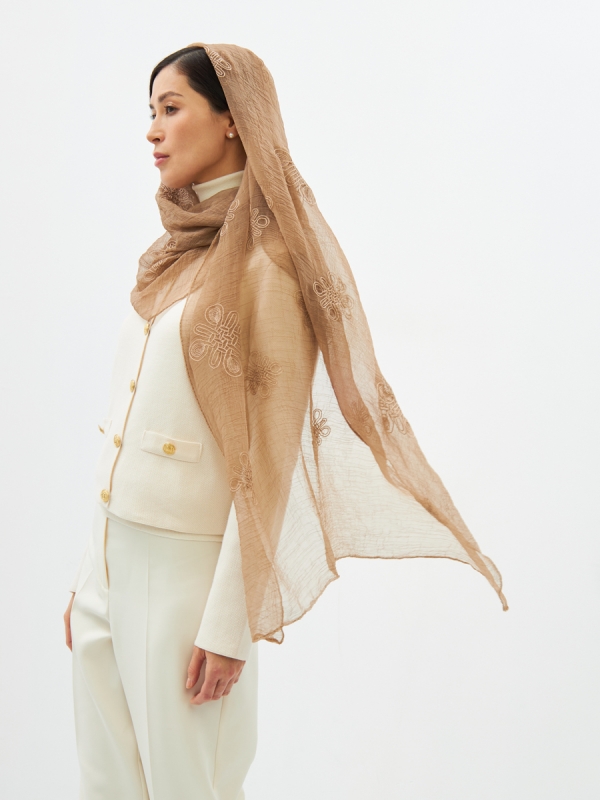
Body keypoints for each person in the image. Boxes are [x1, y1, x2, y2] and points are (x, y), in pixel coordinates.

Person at [65, 42, 507, 800]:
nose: (152, 130)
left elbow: (267, 460)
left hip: (185, 583)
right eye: (150, 112)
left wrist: (229, 625)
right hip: (110, 566)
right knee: (104, 786)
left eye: (171, 108)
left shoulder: (267, 264)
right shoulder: (172, 254)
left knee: (190, 788)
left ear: (232, 119)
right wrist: (88, 578)